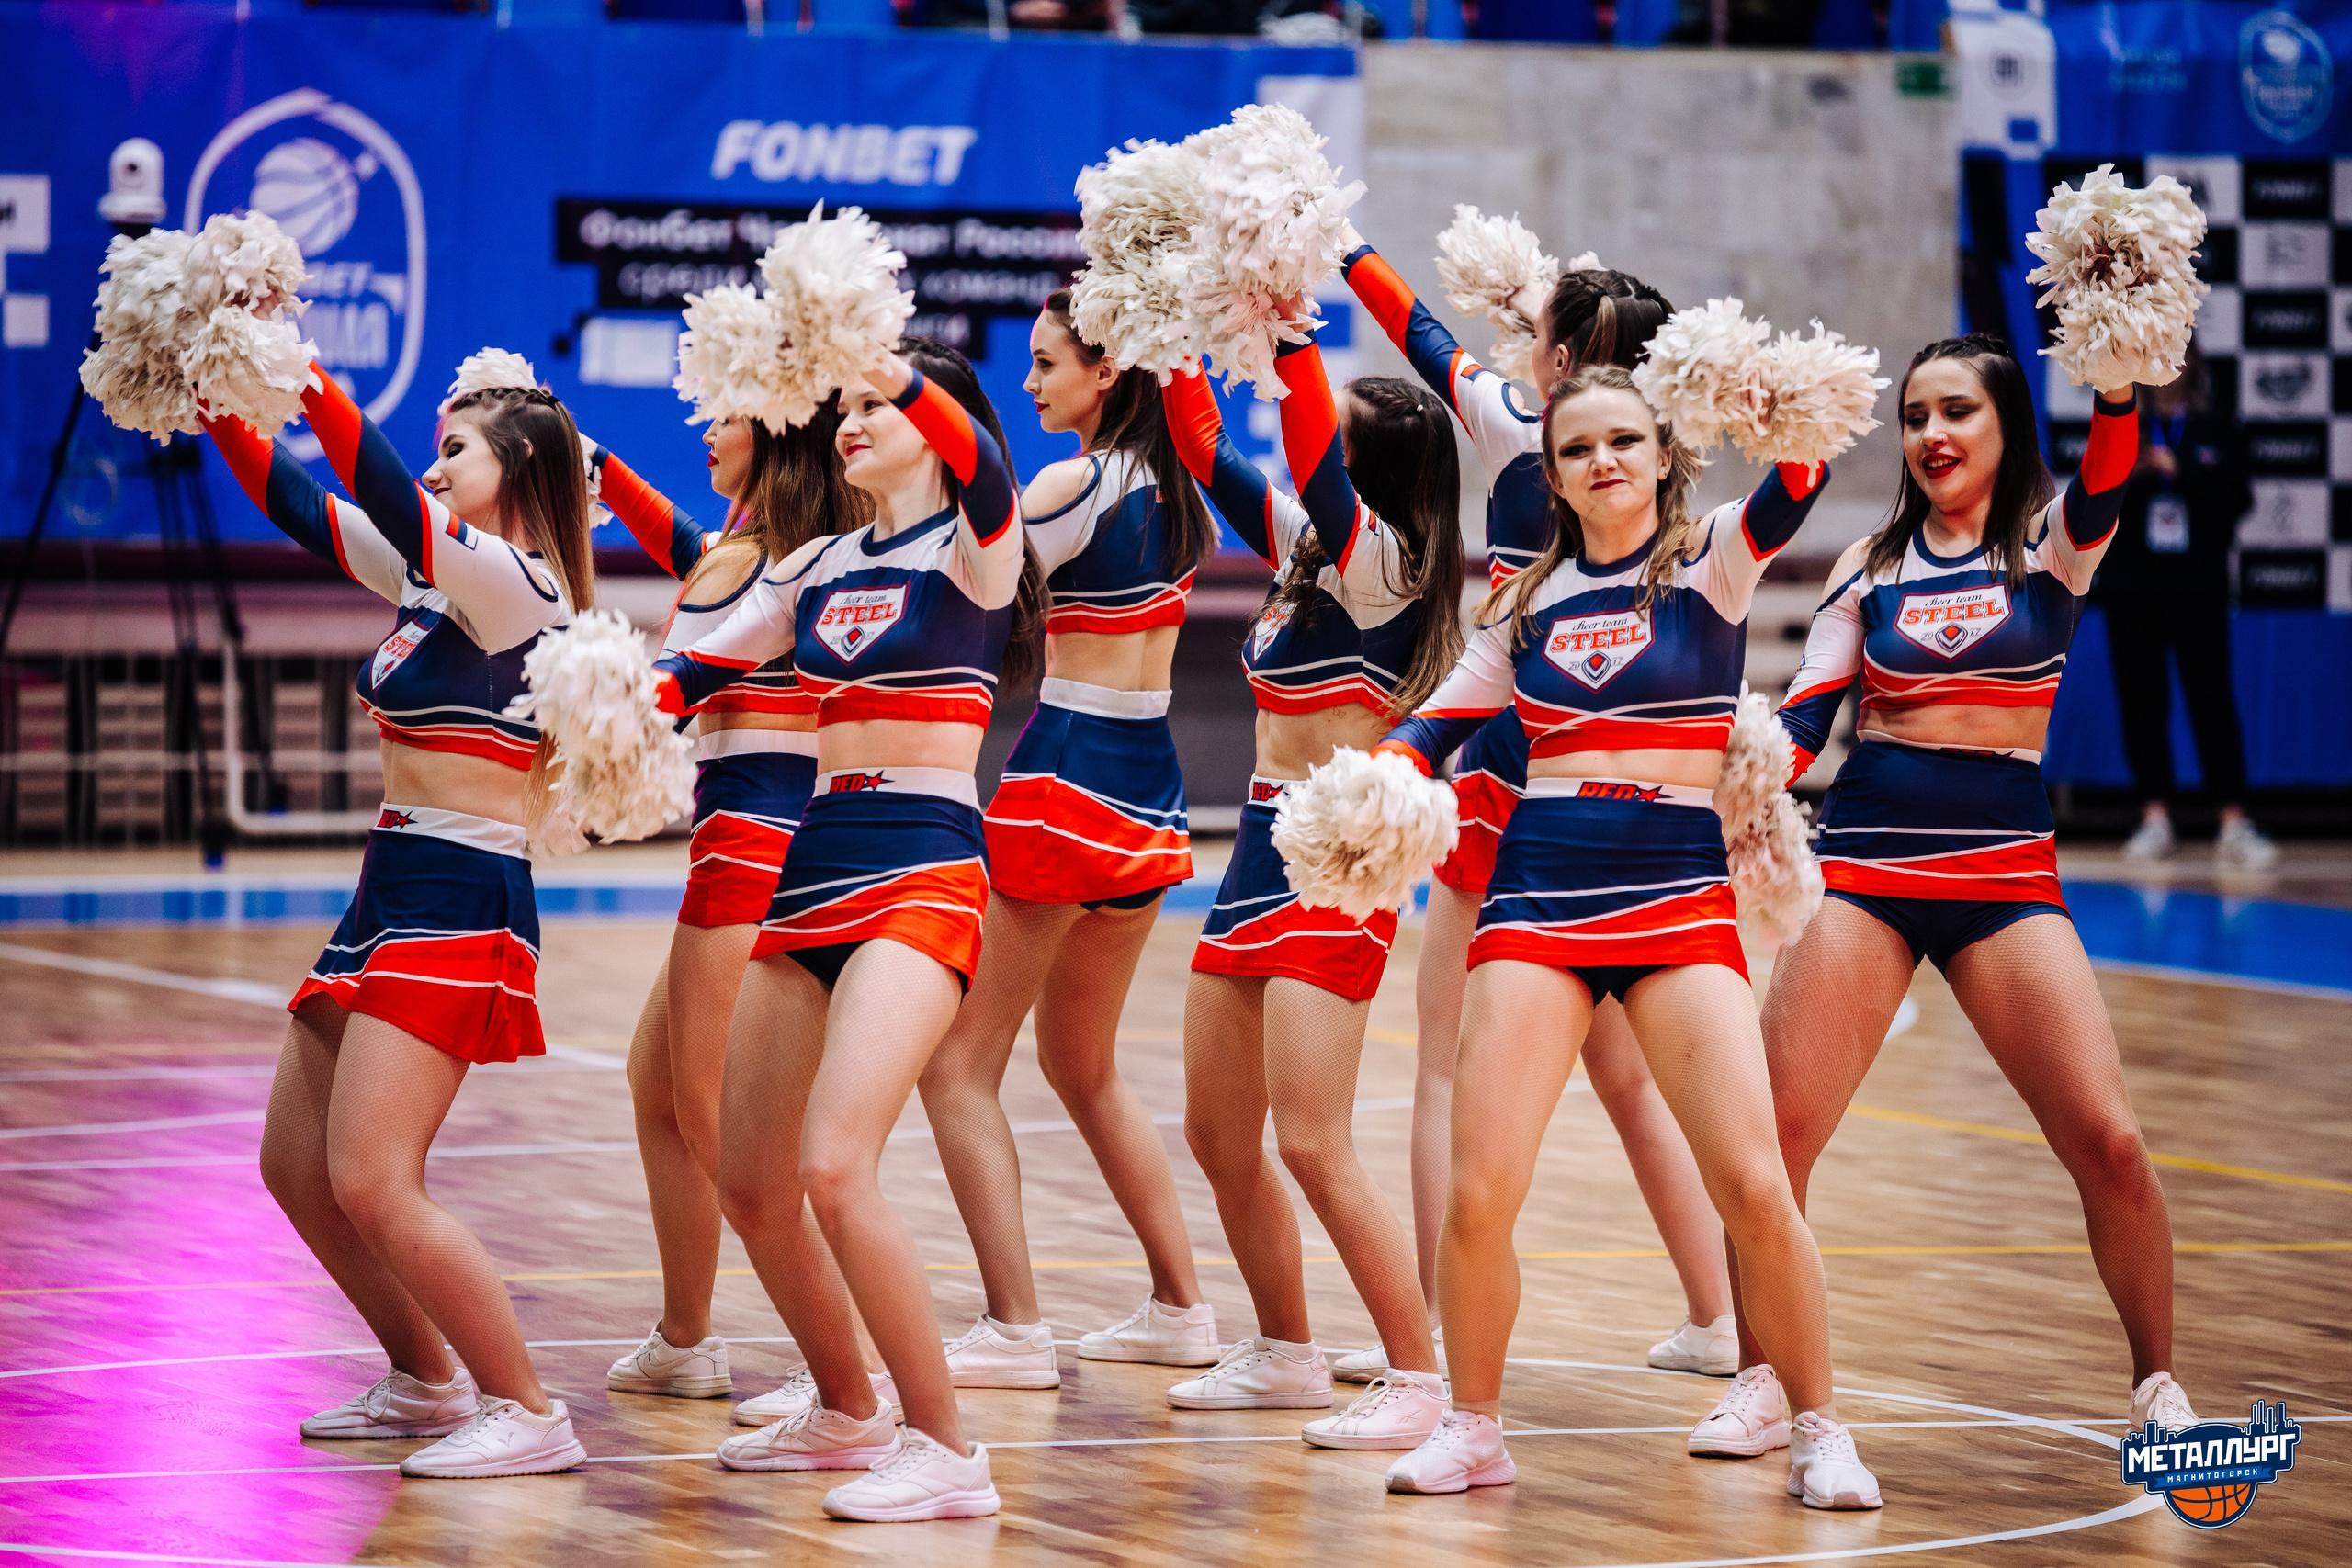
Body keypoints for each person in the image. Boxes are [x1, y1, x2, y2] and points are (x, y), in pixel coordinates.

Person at [1373, 364, 1882, 1508]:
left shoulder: (1712, 559)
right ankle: (1474, 1426)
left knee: (1754, 1185)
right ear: (1550, 477)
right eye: (1575, 450)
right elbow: (1441, 714)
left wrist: (1762, 397)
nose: (1601, 462)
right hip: (1538, 894)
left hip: (1676, 893)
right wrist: (1390, 775)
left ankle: (1819, 1425)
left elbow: (1799, 477)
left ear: (1663, 455)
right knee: (1480, 1191)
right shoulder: (1523, 603)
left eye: (1622, 442)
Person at [1758, 333, 2200, 1442]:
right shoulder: (1867, 564)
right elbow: (1810, 716)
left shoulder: (2053, 547)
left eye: (1956, 412)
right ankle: (1764, 1378)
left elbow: (2106, 467)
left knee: (2108, 1142)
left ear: (2004, 426)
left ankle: (2155, 1383)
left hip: (2003, 878)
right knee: (1774, 1138)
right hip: (1864, 870)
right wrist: (1737, 766)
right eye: (1913, 417)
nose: (1931, 436)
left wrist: (2115, 379)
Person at [1336, 237, 1739, 1379]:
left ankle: (1427, 1337)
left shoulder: (1526, 422)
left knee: (1443, 1069)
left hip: (1510, 760)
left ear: (1556, 356)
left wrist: (1341, 246)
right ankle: (1715, 1316)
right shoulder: (1666, 452)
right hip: (1631, 771)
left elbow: (1419, 336)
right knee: (1625, 1071)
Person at [653, 339, 1039, 1521]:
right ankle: (845, 1407)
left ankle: (947, 1449)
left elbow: (980, 467)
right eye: (847, 405)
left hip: (924, 865)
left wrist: (875, 351)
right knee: (754, 1178)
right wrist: (596, 708)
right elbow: (695, 669)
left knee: (834, 1165)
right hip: (813, 863)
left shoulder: (977, 549)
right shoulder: (815, 560)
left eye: (878, 406)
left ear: (936, 420)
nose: (853, 420)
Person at [200, 367, 594, 1478]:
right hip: (391, 882)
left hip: (463, 895)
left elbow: (377, 484)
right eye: (432, 453)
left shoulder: (520, 584)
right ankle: (426, 1379)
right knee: (296, 1163)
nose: (431, 470)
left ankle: (526, 1410)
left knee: (373, 1174)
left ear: (513, 469)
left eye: (454, 450)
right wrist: (216, 399)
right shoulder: (437, 584)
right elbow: (301, 502)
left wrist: (290, 368)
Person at [1159, 328, 1463, 1450]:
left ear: (1373, 472)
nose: (1312, 449)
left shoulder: (1387, 561)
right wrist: (1170, 329)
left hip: (1339, 860)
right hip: (1253, 838)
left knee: (1314, 1140)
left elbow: (1300, 445)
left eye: (1338, 441)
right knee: (1216, 1128)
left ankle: (1421, 1379)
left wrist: (1286, 331)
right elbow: (1203, 448)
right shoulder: (1308, 552)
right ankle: (1284, 1351)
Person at [915, 292, 1225, 1387]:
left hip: (1063, 779)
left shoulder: (1069, 482)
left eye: (1049, 365)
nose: (1033, 385)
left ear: (1108, 374)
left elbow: (959, 575)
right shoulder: (1184, 491)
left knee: (957, 1065)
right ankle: (1183, 1309)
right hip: (1152, 788)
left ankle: (1012, 1327)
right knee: (1081, 1064)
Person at [586, 410, 899, 1428]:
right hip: (775, 842)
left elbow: (670, 676)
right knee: (659, 1090)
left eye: (725, 415)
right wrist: (601, 468)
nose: (705, 428)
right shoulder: (799, 559)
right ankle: (686, 1338)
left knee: (731, 1138)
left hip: (744, 855)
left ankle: (843, 1363)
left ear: (772, 438)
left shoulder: (752, 569)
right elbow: (693, 548)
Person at [2095, 344, 2274, 868]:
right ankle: (2155, 818)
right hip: (2132, 588)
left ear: (2193, 365)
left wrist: (2181, 472)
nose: (2168, 372)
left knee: (2211, 701)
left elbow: (2238, 500)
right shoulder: (2124, 425)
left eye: (2177, 360)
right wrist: (2136, 472)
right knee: (2142, 703)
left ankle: (2234, 823)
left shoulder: (2218, 428)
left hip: (2197, 588)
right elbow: (2092, 498)